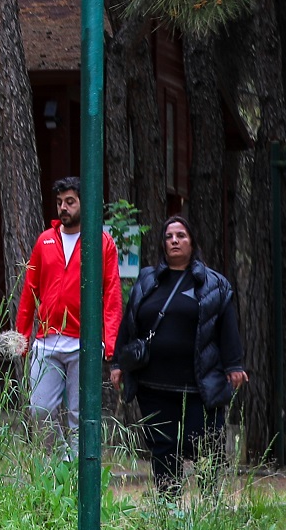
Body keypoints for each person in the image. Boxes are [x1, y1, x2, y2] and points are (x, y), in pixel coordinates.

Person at [109, 215, 247, 498]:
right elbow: (130, 323)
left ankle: (210, 508)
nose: (174, 240)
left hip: (198, 386)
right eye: (169, 236)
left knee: (207, 447)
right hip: (154, 385)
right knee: (162, 449)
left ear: (192, 242)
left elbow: (226, 327)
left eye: (181, 235)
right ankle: (169, 508)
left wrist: (233, 365)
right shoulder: (148, 280)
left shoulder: (213, 284)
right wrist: (118, 364)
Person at [15, 177, 122, 455]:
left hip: (83, 343)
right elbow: (29, 291)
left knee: (79, 415)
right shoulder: (44, 241)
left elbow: (111, 294)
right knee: (39, 411)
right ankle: (64, 462)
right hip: (46, 341)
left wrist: (111, 344)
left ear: (84, 203)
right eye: (60, 202)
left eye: (70, 202)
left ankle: (78, 476)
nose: (63, 208)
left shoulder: (102, 242)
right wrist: (21, 337)